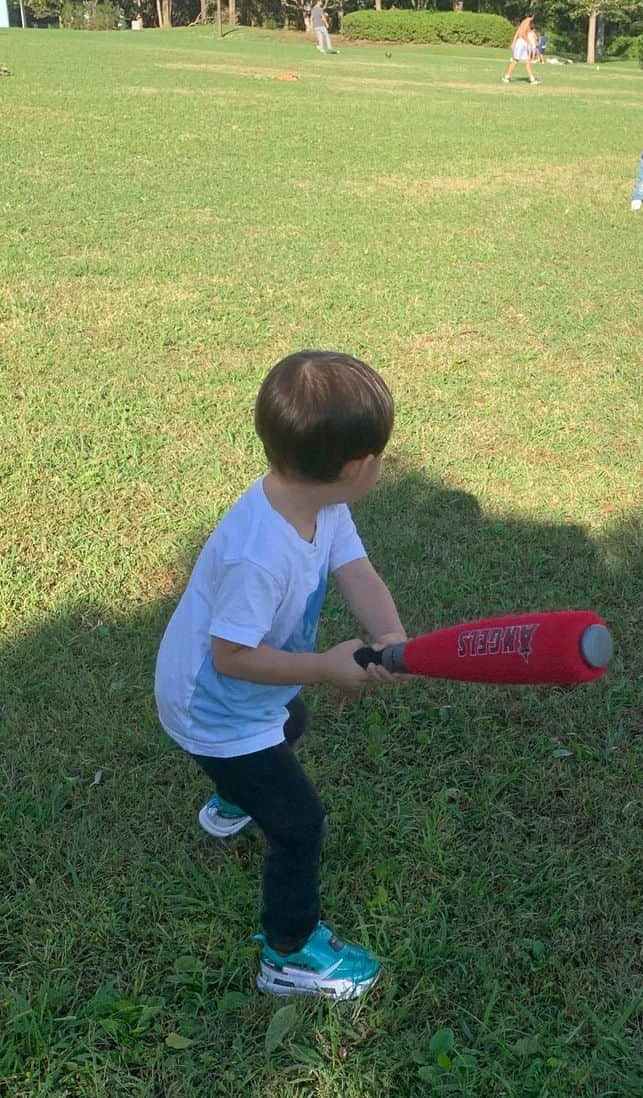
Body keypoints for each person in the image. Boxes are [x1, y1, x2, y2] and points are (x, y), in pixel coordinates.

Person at [154, 351, 406, 999]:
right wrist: (324, 665)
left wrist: (391, 636)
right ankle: (288, 954)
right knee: (299, 823)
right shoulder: (258, 554)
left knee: (291, 716)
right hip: (211, 708)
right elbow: (230, 658)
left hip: (249, 699)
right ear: (358, 468)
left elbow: (358, 573)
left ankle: (236, 797)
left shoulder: (319, 505)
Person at [502, 14, 539, 85]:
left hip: (522, 43)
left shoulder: (525, 21)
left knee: (527, 61)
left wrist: (513, 42)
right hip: (521, 43)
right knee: (515, 60)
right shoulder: (527, 21)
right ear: (532, 16)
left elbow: (518, 32)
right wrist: (528, 41)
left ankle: (532, 79)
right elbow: (522, 33)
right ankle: (507, 77)